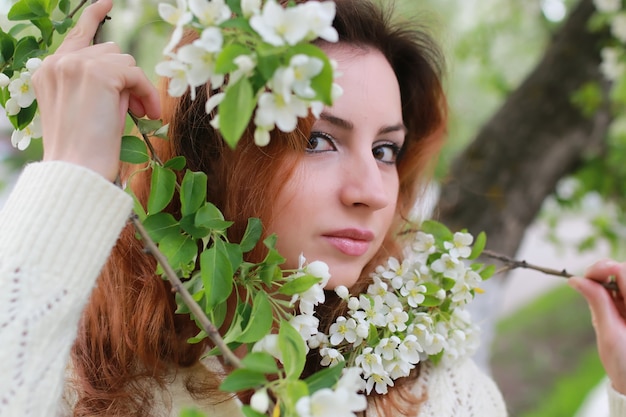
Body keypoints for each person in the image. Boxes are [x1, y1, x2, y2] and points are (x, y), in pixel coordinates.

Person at [0, 0, 625, 416]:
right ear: (213, 151)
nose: (373, 192)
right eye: (319, 139)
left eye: (385, 149)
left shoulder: (426, 386)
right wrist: (74, 171)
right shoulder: (86, 366)